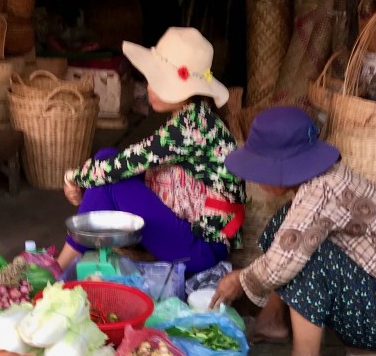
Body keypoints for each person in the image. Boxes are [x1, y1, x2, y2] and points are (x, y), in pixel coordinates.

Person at [211, 107, 376, 356]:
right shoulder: (319, 181)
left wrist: (241, 279)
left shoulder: (321, 192)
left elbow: (283, 263)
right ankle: (273, 321)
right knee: (285, 224)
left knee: (302, 254)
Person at [60, 27, 246, 278]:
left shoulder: (190, 127)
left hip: (201, 248)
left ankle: (60, 265)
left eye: (160, 82)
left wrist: (74, 178)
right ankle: (68, 259)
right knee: (105, 157)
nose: (149, 88)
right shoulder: (196, 114)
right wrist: (87, 176)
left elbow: (127, 163)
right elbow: (126, 160)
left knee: (109, 179)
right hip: (192, 230)